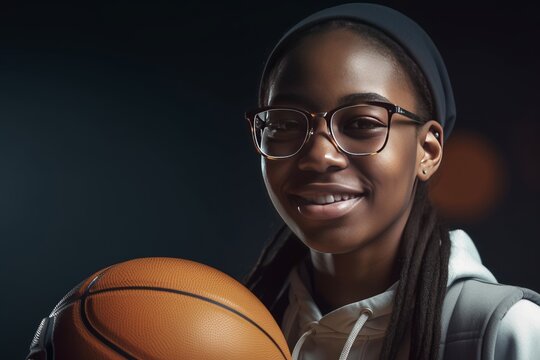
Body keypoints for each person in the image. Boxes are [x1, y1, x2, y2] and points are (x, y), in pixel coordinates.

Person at [242, 3, 540, 360]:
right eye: (285, 124)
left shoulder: (508, 332)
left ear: (427, 151)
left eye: (362, 124)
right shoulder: (238, 329)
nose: (320, 156)